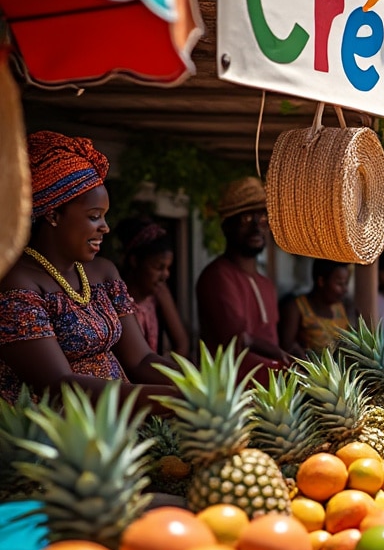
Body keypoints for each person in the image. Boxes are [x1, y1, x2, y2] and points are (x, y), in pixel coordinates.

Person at [0, 132, 176, 410]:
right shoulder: (17, 284)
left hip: (120, 424)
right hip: (57, 437)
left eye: (105, 216)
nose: (104, 227)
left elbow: (140, 358)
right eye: (94, 216)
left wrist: (197, 386)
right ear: (53, 214)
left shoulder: (104, 273)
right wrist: (173, 400)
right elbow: (59, 384)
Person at [197, 177, 290, 375]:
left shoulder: (266, 283)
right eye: (246, 219)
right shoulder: (217, 276)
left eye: (263, 219)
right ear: (226, 227)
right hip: (232, 395)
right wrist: (283, 355)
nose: (257, 227)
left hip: (271, 393)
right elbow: (238, 338)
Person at [115, 216, 189, 357]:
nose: (165, 274)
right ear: (134, 261)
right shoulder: (117, 300)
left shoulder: (159, 294)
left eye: (168, 268)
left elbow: (182, 344)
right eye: (158, 267)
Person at [279, 259, 352, 355]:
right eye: (340, 284)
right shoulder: (296, 308)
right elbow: (288, 347)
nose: (345, 290)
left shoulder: (340, 307)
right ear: (321, 281)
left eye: (346, 284)